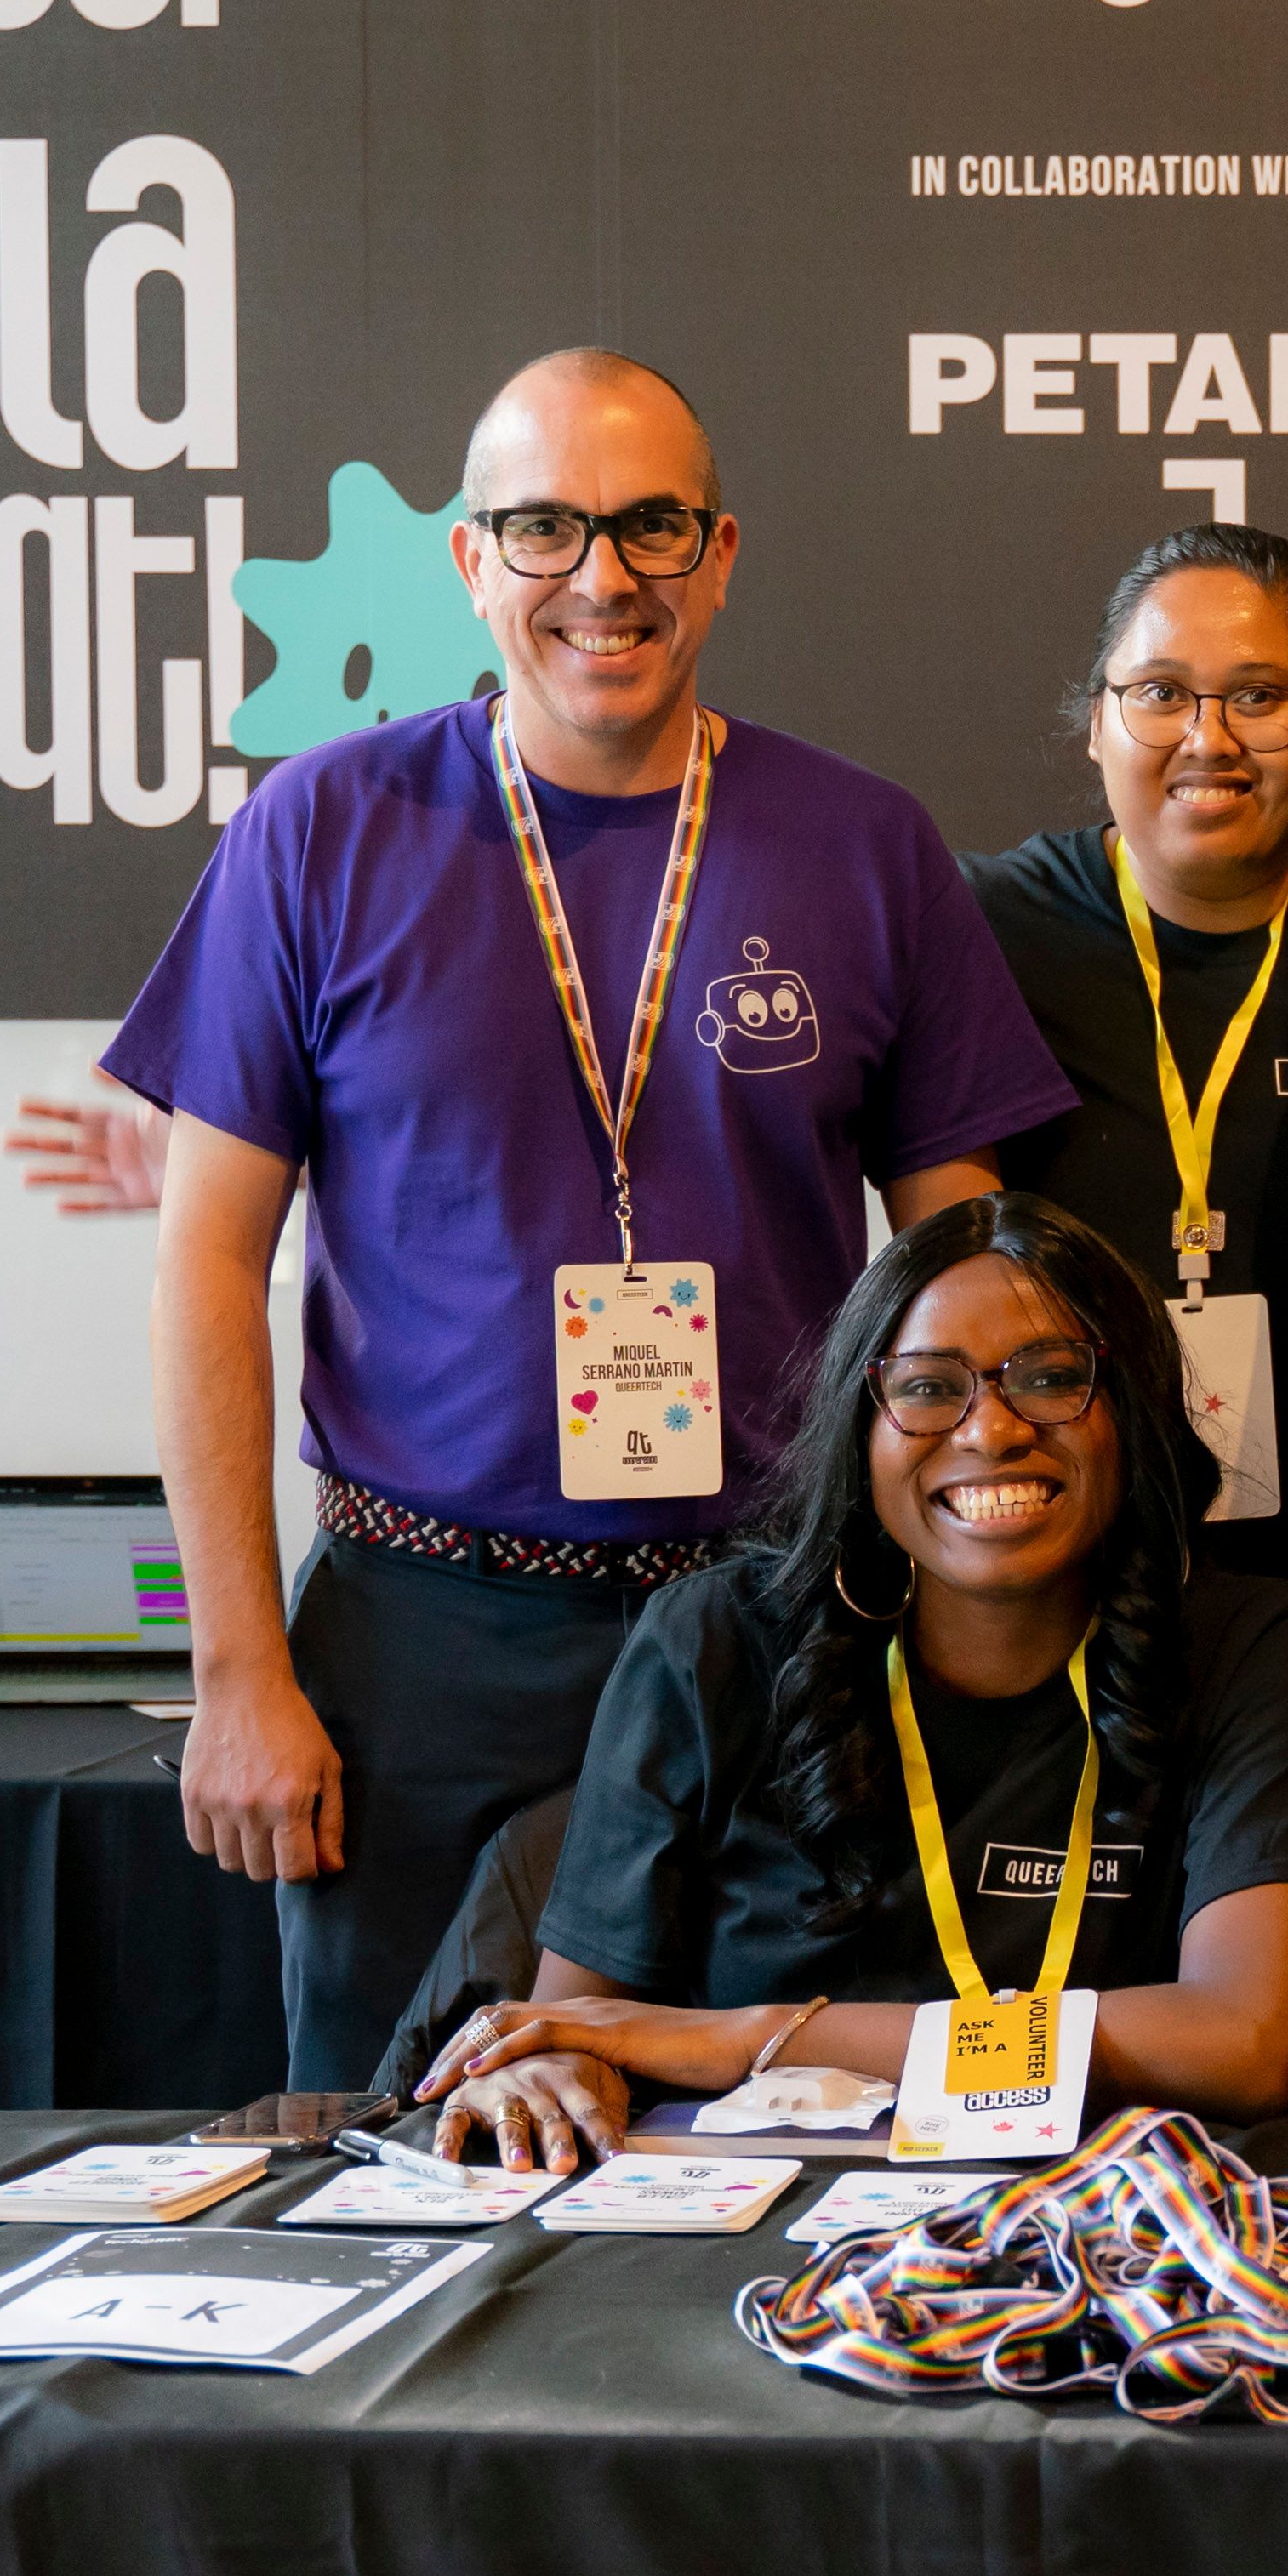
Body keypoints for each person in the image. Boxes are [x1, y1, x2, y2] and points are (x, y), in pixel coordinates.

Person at [107, 349, 1073, 2081]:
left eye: (648, 525)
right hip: (418, 1637)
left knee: (768, 2135)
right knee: (397, 2145)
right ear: (471, 562)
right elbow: (203, 1265)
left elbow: (971, 1293)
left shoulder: (864, 846)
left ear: (720, 552)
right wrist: (238, 1664)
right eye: (543, 527)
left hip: (777, 1628)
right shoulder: (315, 833)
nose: (601, 575)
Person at [410, 1200, 1288, 2165]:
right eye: (930, 1388)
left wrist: (749, 2036)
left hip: (1105, 2217)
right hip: (755, 2236)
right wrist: (542, 2071)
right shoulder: (714, 1643)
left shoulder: (1250, 1646)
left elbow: (1247, 2044)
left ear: (1135, 1408)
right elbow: (575, 2035)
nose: (990, 1429)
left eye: (1054, 1379)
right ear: (864, 1430)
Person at [962, 522, 1288, 1588]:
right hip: (1050, 1542)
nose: (1207, 738)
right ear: (1096, 722)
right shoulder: (976, 934)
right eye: (1161, 692)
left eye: (1259, 696)